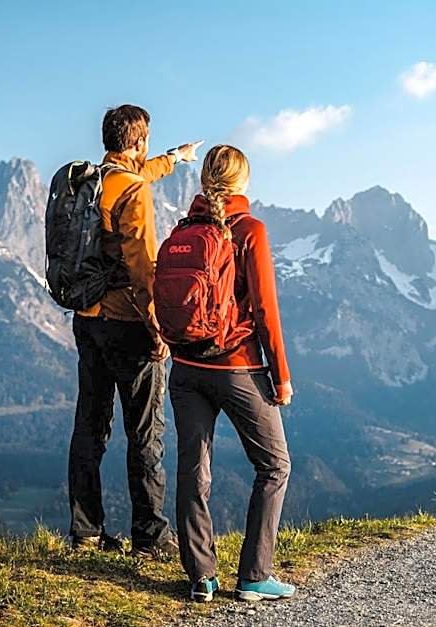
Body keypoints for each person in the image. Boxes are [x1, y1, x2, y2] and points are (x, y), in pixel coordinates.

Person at [68, 103, 202, 557]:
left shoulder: (93, 181)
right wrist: (159, 329)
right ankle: (149, 533)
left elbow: (141, 171)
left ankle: (85, 531)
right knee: (145, 432)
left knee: (90, 425)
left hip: (87, 320)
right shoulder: (134, 193)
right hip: (127, 322)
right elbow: (144, 269)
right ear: (138, 142)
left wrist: (176, 157)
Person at [167, 145, 296, 602]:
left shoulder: (184, 230)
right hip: (236, 368)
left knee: (192, 470)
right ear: (243, 182)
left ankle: (201, 576)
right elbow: (265, 310)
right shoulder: (250, 230)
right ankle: (254, 574)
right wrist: (280, 375)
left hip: (183, 368)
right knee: (274, 464)